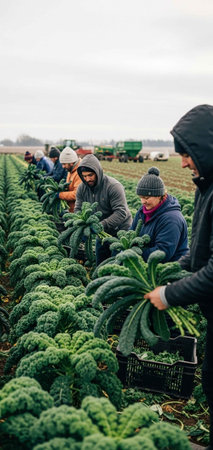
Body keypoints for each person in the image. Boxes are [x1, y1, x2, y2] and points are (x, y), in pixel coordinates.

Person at [144, 104, 213, 450]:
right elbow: (198, 253)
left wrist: (168, 294)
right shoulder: (207, 187)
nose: (183, 162)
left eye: (187, 154)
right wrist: (173, 271)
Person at [75, 153, 132, 265]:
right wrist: (81, 227)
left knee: (116, 265)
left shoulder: (113, 186)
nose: (87, 179)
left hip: (120, 231)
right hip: (101, 233)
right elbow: (78, 209)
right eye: (84, 176)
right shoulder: (82, 188)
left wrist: (100, 225)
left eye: (90, 175)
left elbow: (121, 213)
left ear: (98, 172)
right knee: (101, 263)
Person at [131, 166, 189, 262]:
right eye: (140, 197)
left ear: (159, 195)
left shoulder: (171, 219)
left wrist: (134, 256)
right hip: (146, 262)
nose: (142, 201)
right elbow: (132, 232)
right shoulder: (143, 211)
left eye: (146, 197)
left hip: (170, 268)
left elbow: (163, 252)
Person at [58, 146, 82, 212]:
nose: (63, 166)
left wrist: (59, 195)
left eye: (64, 164)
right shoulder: (70, 170)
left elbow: (76, 194)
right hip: (71, 209)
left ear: (71, 163)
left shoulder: (80, 172)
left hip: (78, 211)